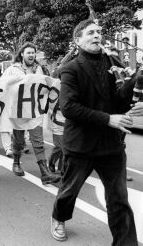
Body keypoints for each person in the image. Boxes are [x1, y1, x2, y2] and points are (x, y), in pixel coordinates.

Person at [51, 19, 137, 245]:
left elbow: (120, 101)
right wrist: (108, 119)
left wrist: (136, 80)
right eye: (91, 32)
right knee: (69, 192)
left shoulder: (114, 63)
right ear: (78, 40)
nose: (97, 35)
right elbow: (68, 107)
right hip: (81, 145)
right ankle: (59, 217)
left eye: (99, 32)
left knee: (119, 199)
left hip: (111, 146)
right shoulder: (70, 69)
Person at [3, 42, 60, 185]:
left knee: (38, 141)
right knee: (19, 141)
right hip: (18, 112)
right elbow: (1, 85)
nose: (31, 55)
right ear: (22, 54)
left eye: (33, 53)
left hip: (35, 110)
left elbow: (45, 87)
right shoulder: (12, 70)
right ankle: (16, 162)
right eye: (28, 52)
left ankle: (44, 172)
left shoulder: (39, 69)